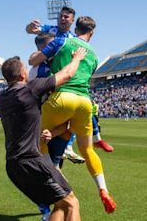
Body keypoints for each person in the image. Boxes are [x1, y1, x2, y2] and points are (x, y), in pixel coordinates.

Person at [29, 16, 116, 214]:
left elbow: (36, 59)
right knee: (88, 151)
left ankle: (56, 189)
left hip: (61, 98)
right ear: (91, 34)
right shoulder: (94, 55)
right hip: (84, 102)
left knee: (40, 145)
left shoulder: (63, 41)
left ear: (74, 28)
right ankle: (103, 190)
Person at [0, 47, 87, 221]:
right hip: (31, 161)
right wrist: (77, 58)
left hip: (13, 166)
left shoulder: (2, 97)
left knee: (60, 205)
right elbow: (67, 74)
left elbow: (24, 120)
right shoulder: (30, 89)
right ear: (22, 74)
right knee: (72, 203)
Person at [30, 33, 86, 167]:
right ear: (42, 49)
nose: (56, 48)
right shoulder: (39, 70)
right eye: (51, 46)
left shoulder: (56, 62)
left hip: (56, 127)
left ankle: (66, 151)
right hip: (44, 124)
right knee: (50, 170)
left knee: (55, 167)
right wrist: (76, 60)